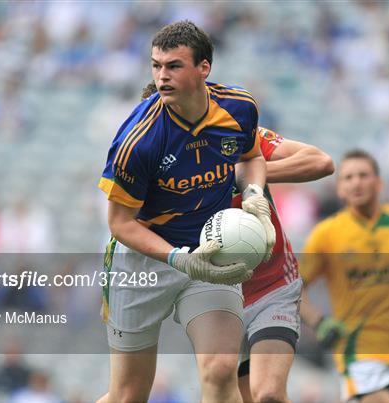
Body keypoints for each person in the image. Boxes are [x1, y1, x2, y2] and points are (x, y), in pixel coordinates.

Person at [97, 20, 275, 402]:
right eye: (156, 66)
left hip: (213, 252)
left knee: (221, 368)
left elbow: (252, 156)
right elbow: (119, 223)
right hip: (144, 261)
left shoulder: (240, 108)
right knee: (128, 395)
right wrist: (178, 259)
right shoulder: (138, 141)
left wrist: (255, 192)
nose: (162, 76)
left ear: (203, 67)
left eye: (174, 66)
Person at [300, 150, 389, 402]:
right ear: (340, 189)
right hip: (359, 351)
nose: (356, 182)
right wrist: (319, 322)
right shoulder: (326, 234)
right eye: (348, 178)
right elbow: (297, 289)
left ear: (379, 182)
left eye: (363, 175)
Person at [233, 127, 334, 403]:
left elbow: (321, 161)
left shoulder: (237, 131)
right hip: (213, 294)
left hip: (271, 287)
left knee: (268, 395)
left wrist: (249, 175)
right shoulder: (163, 149)